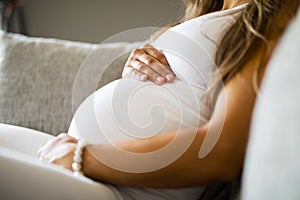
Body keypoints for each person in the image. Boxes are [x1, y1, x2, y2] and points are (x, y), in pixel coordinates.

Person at [0, 0, 299, 199]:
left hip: (122, 189)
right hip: (89, 168)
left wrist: (83, 158)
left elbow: (222, 151)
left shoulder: (275, 17)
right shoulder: (214, 9)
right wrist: (139, 67)